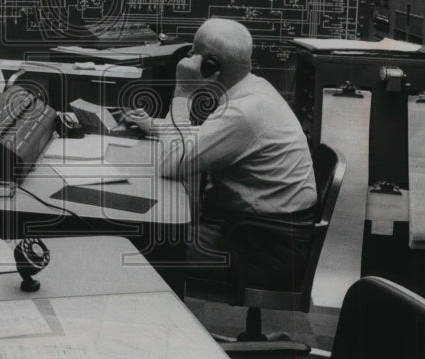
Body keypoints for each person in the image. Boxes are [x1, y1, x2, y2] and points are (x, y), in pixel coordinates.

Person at [125, 18, 317, 336]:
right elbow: (211, 139)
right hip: (274, 236)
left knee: (151, 247)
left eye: (194, 54)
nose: (188, 60)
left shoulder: (243, 111)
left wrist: (183, 92)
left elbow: (173, 163)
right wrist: (156, 126)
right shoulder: (254, 90)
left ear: (210, 63)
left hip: (262, 249)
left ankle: (161, 344)